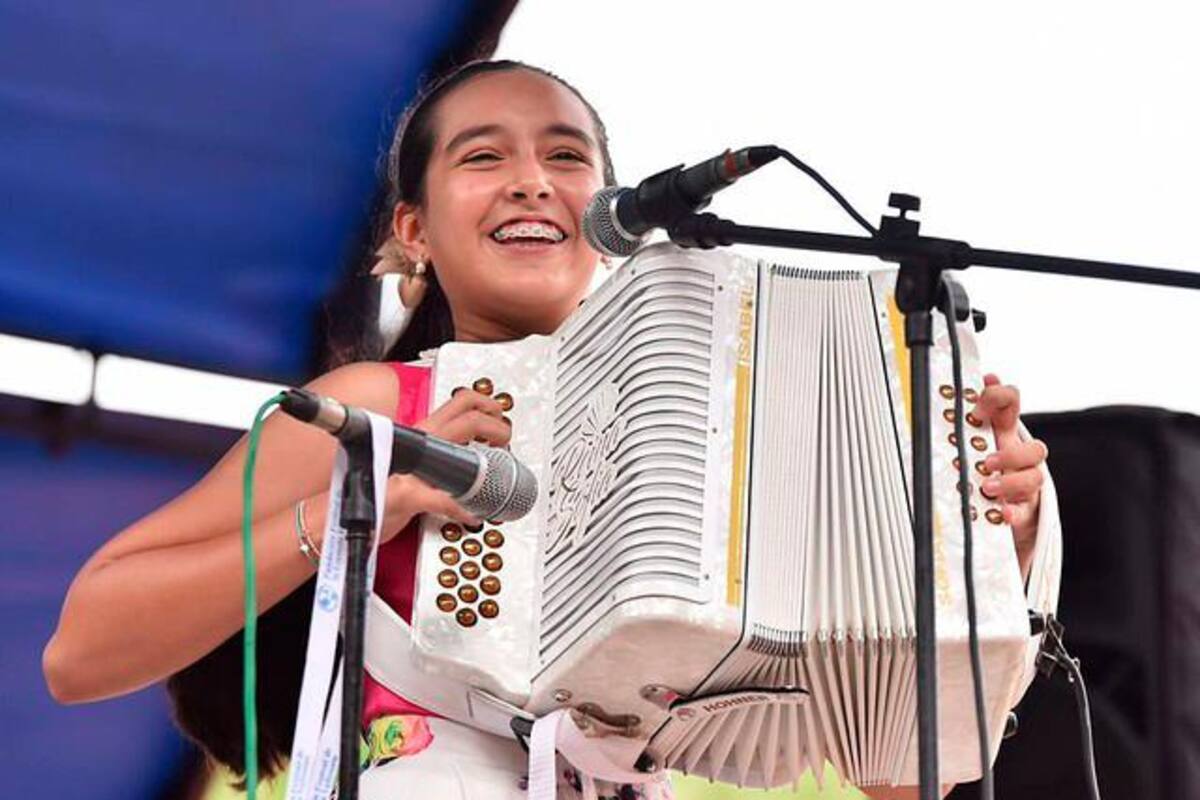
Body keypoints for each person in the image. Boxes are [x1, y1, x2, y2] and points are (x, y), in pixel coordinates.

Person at [42, 59, 1052, 800]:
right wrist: (371, 498)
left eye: (566, 158)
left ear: (610, 215)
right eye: (485, 159)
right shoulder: (382, 402)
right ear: (414, 233)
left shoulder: (722, 443)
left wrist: (991, 555)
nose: (532, 180)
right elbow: (81, 649)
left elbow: (895, 781)